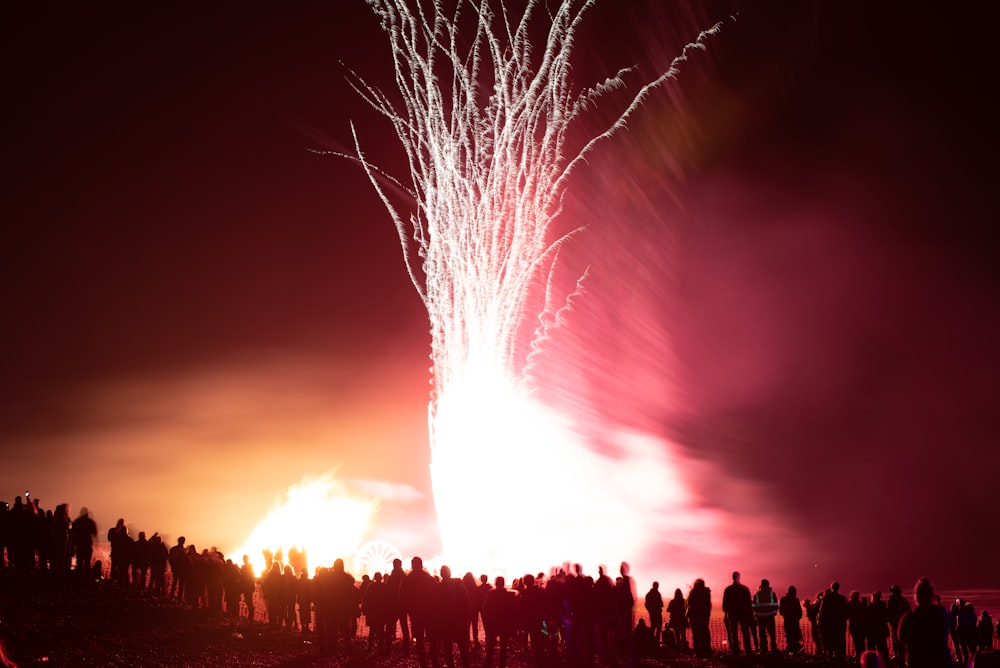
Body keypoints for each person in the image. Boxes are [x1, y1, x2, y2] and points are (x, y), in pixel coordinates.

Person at [897, 577, 951, 668]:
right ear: (932, 595)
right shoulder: (941, 614)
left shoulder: (909, 619)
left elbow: (901, 638)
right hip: (940, 662)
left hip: (917, 662)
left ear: (916, 596)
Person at [723, 571, 754, 655]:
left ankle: (736, 650)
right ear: (739, 577)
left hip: (733, 614)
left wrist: (726, 615)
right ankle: (748, 650)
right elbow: (748, 603)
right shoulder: (744, 589)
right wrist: (750, 615)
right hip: (743, 614)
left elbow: (725, 604)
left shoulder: (728, 589)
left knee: (734, 632)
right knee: (745, 632)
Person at [687, 578, 712, 658]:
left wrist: (688, 615)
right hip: (703, 617)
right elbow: (708, 606)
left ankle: (698, 653)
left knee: (696, 636)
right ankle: (706, 651)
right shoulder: (706, 593)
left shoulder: (693, 593)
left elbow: (689, 605)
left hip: (695, 617)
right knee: (704, 635)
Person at [754, 578, 779, 653]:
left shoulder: (757, 595)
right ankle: (774, 650)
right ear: (768, 585)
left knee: (762, 635)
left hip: (760, 617)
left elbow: (754, 606)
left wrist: (756, 614)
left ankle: (763, 650)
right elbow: (775, 605)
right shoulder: (772, 594)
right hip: (770, 617)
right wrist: (774, 613)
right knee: (772, 634)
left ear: (761, 585)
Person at [779, 585, 804, 653]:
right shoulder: (796, 600)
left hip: (787, 620)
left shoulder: (783, 599)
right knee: (795, 635)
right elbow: (799, 611)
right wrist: (798, 617)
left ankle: (790, 649)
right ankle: (794, 650)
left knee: (788, 635)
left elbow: (781, 611)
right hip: (795, 621)